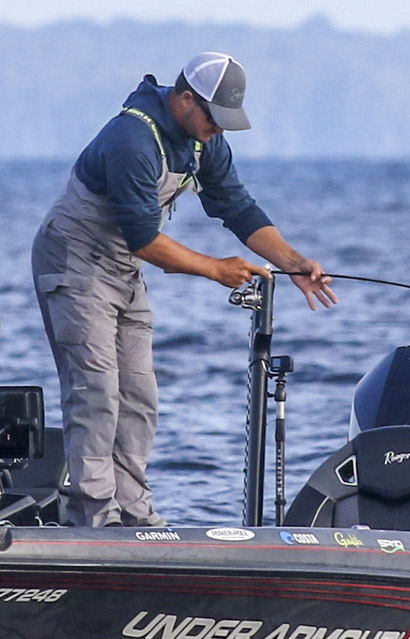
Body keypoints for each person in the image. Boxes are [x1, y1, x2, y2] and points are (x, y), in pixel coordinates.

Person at [31, 52, 337, 527]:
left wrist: (294, 264)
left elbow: (237, 207)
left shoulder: (203, 141)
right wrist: (216, 269)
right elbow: (145, 240)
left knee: (139, 396)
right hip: (74, 262)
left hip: (123, 269)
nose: (219, 130)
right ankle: (93, 518)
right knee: (96, 393)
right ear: (187, 99)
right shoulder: (132, 138)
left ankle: (133, 514)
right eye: (215, 118)